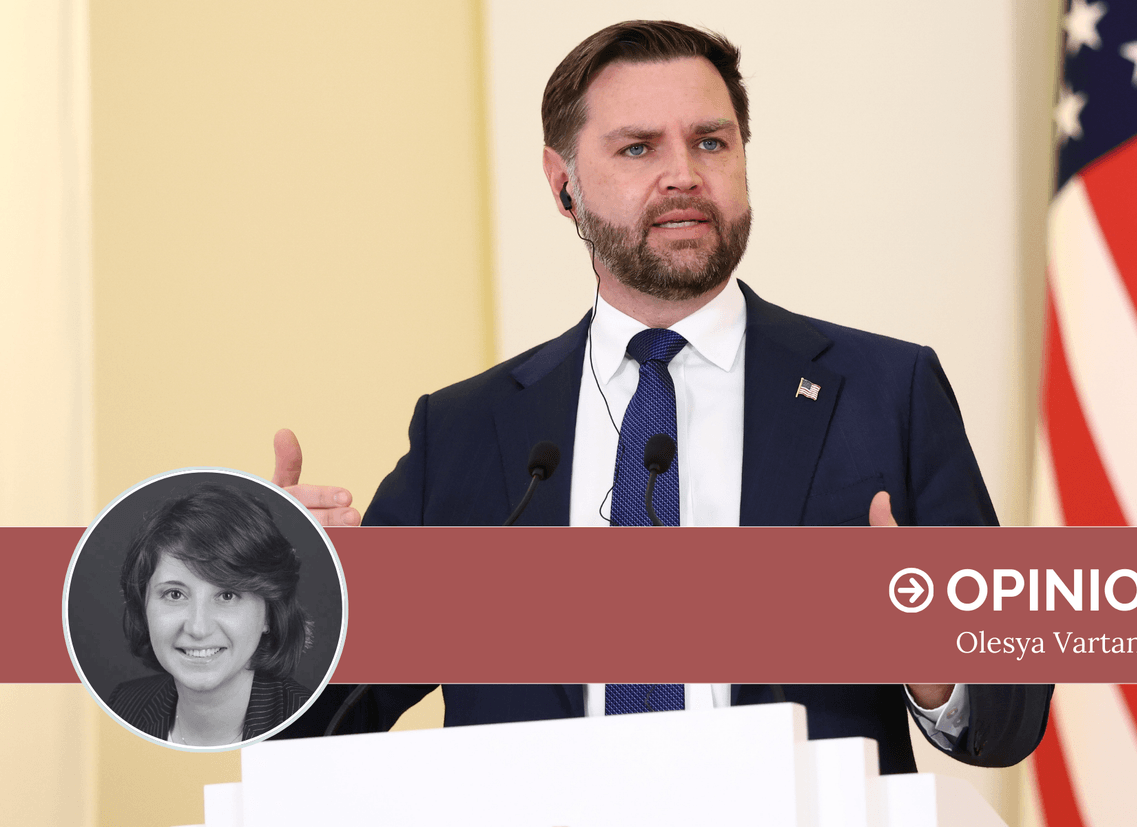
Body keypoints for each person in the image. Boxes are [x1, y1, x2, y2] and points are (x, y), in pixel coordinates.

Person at [273, 20, 1051, 773]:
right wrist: (280, 601)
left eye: (711, 142)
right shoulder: (467, 434)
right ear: (562, 184)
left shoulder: (885, 393)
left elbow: (1009, 714)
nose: (684, 173)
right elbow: (318, 725)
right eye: (638, 147)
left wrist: (938, 659)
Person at [108, 483, 313, 746]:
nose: (198, 628)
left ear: (268, 615)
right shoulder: (124, 705)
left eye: (227, 595)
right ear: (143, 607)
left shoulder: (318, 726)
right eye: (175, 594)